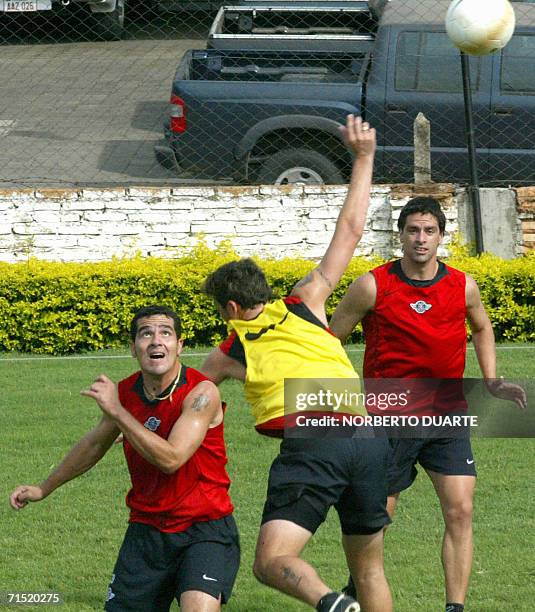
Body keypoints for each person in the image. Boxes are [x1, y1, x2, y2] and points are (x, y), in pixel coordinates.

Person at [200, 115, 393, 612]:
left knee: (272, 561)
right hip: (370, 441)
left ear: (230, 309)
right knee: (368, 568)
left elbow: (180, 393)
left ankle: (331, 604)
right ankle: (347, 599)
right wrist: (365, 156)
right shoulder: (307, 300)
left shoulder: (229, 349)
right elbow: (350, 230)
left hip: (315, 444)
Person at [329, 196, 527, 612]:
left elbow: (482, 325)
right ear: (400, 235)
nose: (421, 239)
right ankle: (358, 584)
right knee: (377, 515)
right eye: (413, 231)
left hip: (446, 414)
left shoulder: (462, 285)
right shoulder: (372, 285)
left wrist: (491, 380)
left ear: (441, 236)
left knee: (461, 509)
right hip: (388, 417)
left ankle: (455, 607)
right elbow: (331, 339)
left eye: (429, 231)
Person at [9, 305, 239, 612]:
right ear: (133, 348)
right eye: (146, 334)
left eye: (166, 333)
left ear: (179, 345)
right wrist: (43, 489)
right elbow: (93, 445)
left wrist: (118, 413)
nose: (156, 341)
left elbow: (171, 459)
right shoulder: (127, 392)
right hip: (146, 530)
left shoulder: (202, 392)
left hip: (204, 529)